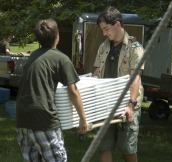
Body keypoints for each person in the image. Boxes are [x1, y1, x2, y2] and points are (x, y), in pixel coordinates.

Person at [16, 19, 87, 162]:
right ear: (57, 36)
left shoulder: (33, 56)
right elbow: (73, 91)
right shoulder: (61, 58)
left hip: (22, 119)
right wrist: (82, 118)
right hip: (44, 120)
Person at [92, 7, 145, 162]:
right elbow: (96, 72)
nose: (104, 33)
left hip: (126, 104)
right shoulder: (103, 47)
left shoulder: (135, 48)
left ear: (117, 24)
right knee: (104, 146)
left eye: (106, 29)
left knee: (127, 148)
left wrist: (131, 104)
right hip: (105, 103)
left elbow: (136, 78)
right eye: (102, 30)